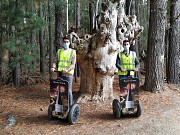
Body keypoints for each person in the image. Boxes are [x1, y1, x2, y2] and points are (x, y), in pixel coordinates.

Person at [51, 35, 76, 107]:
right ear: (62, 42)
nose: (66, 43)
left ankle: (70, 107)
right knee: (58, 90)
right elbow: (55, 61)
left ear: (69, 43)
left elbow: (73, 64)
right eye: (64, 42)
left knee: (68, 91)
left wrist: (67, 70)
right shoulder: (59, 51)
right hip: (59, 74)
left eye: (67, 42)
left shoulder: (72, 52)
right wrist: (53, 67)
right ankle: (59, 106)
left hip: (68, 75)